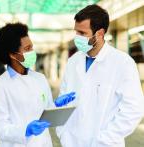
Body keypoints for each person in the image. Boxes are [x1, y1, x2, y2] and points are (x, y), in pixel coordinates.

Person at [56, 4, 144, 147]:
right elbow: (63, 101)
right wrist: (63, 133)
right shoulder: (73, 62)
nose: (77, 37)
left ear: (100, 33)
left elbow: (134, 109)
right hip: (71, 142)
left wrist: (106, 139)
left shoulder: (122, 63)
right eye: (76, 32)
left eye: (82, 33)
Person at [0, 23, 75, 147]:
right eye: (27, 49)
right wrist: (26, 130)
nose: (32, 52)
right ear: (12, 54)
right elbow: (1, 128)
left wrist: (55, 105)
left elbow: (45, 111)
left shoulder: (40, 78)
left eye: (32, 47)